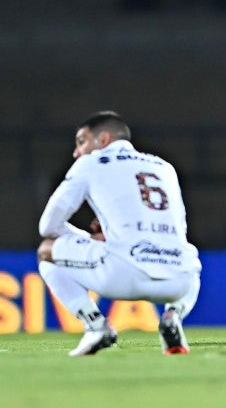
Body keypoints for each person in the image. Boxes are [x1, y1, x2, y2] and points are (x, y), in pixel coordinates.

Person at [36, 111, 201, 356]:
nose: (76, 152)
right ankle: (172, 316)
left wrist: (88, 239)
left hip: (122, 274)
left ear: (102, 140)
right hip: (177, 281)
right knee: (189, 256)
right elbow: (177, 229)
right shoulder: (165, 167)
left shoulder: (90, 163)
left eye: (81, 141)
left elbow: (48, 227)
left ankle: (96, 326)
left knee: (46, 251)